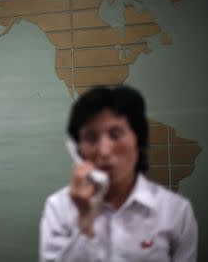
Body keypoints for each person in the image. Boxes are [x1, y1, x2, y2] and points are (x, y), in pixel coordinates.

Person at [39, 86, 198, 262]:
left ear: (139, 138)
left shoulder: (175, 212)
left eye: (116, 134)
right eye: (91, 138)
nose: (104, 151)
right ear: (77, 150)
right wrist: (84, 224)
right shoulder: (58, 208)